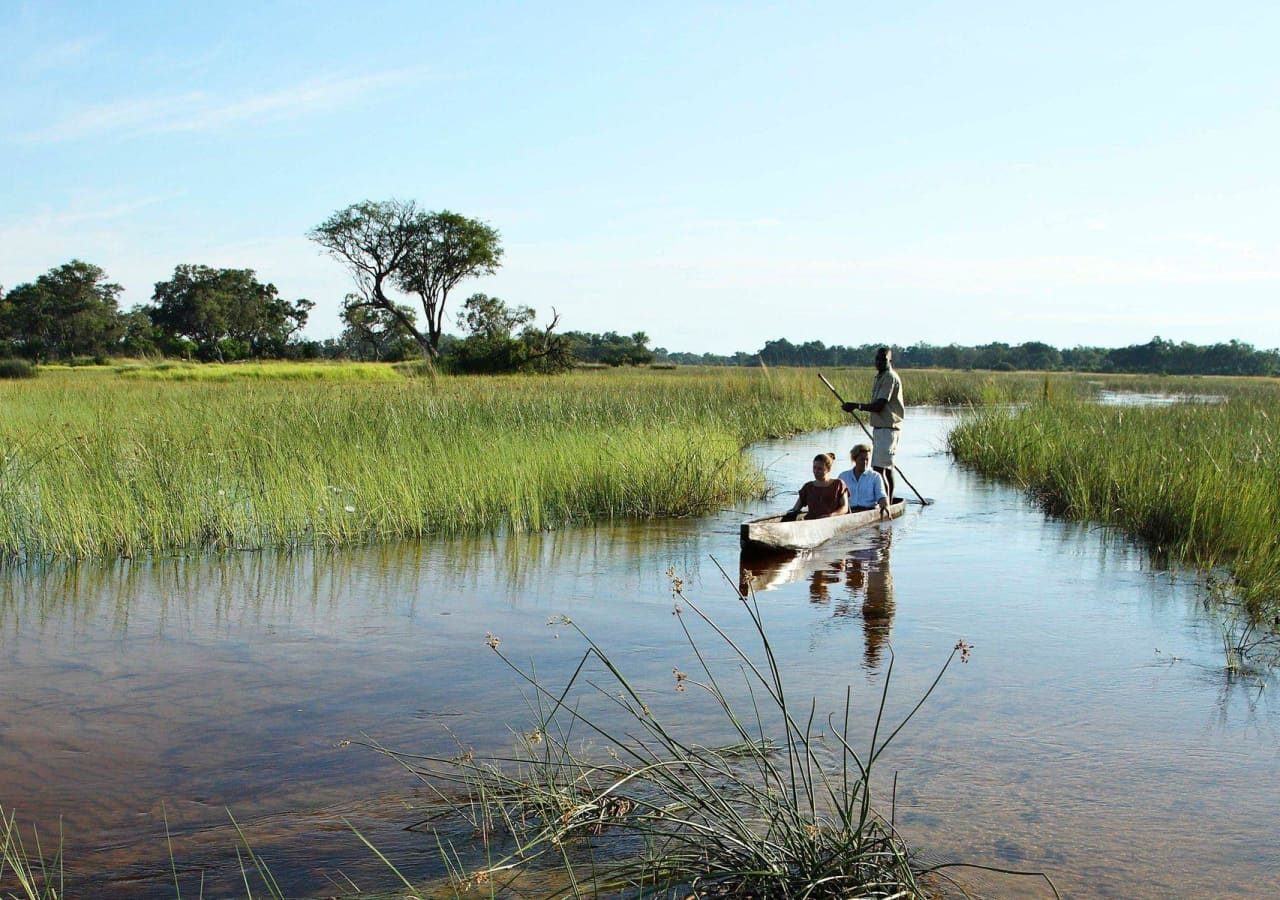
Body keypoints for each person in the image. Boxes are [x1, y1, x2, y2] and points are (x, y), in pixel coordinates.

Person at [841, 346, 904, 501]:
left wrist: (856, 406)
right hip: (881, 429)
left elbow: (879, 405)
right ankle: (887, 500)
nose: (879, 362)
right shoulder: (879, 377)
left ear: (890, 361)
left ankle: (885, 503)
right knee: (886, 468)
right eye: (877, 359)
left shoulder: (889, 377)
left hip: (888, 429)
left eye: (883, 359)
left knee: (879, 469)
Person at [781, 453, 849, 521]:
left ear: (829, 469)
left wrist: (831, 515)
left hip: (832, 522)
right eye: (814, 468)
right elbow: (795, 509)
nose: (816, 471)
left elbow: (845, 508)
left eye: (819, 469)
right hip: (811, 523)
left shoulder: (838, 484)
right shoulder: (808, 487)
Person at [837, 442, 890, 518]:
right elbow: (837, 498)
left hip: (869, 512)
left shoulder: (875, 476)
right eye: (862, 459)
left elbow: (881, 496)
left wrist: (885, 506)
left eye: (867, 459)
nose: (865, 462)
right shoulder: (843, 476)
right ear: (855, 459)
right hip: (849, 513)